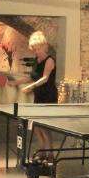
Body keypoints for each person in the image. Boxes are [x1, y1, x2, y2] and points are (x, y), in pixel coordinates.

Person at [17, 31, 57, 159]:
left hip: (48, 96)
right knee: (37, 127)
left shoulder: (50, 60)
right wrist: (15, 82)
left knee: (44, 127)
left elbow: (45, 78)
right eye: (34, 49)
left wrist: (31, 86)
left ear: (44, 47)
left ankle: (50, 154)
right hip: (38, 96)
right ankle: (42, 152)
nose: (36, 51)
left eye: (38, 49)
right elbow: (32, 77)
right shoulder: (36, 60)